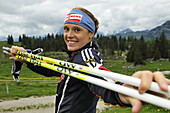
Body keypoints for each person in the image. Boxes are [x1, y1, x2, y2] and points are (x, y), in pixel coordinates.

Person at [8, 7, 170, 113]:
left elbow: (100, 79)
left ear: (90, 34)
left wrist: (124, 90)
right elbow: (52, 68)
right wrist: (27, 58)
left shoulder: (85, 58)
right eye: (66, 29)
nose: (69, 35)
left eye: (77, 30)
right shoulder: (75, 58)